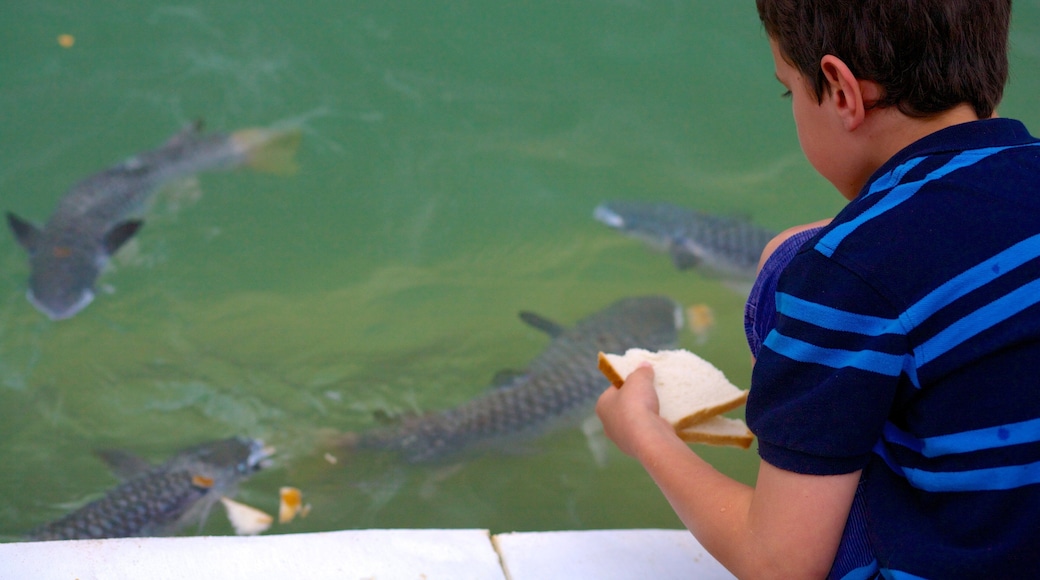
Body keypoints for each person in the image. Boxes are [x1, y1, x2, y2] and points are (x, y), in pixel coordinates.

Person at [596, 1, 1040, 578]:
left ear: (841, 91)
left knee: (789, 262)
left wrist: (648, 438)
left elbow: (780, 565)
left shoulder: (846, 272)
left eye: (789, 91)